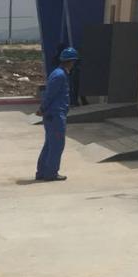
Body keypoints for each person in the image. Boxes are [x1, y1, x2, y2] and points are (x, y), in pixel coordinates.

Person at [36, 47, 79, 182]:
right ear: (71, 62)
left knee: (50, 144)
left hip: (53, 113)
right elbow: (50, 94)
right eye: (74, 62)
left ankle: (42, 172)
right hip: (55, 114)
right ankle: (51, 173)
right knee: (56, 145)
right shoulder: (60, 75)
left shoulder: (58, 73)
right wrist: (42, 108)